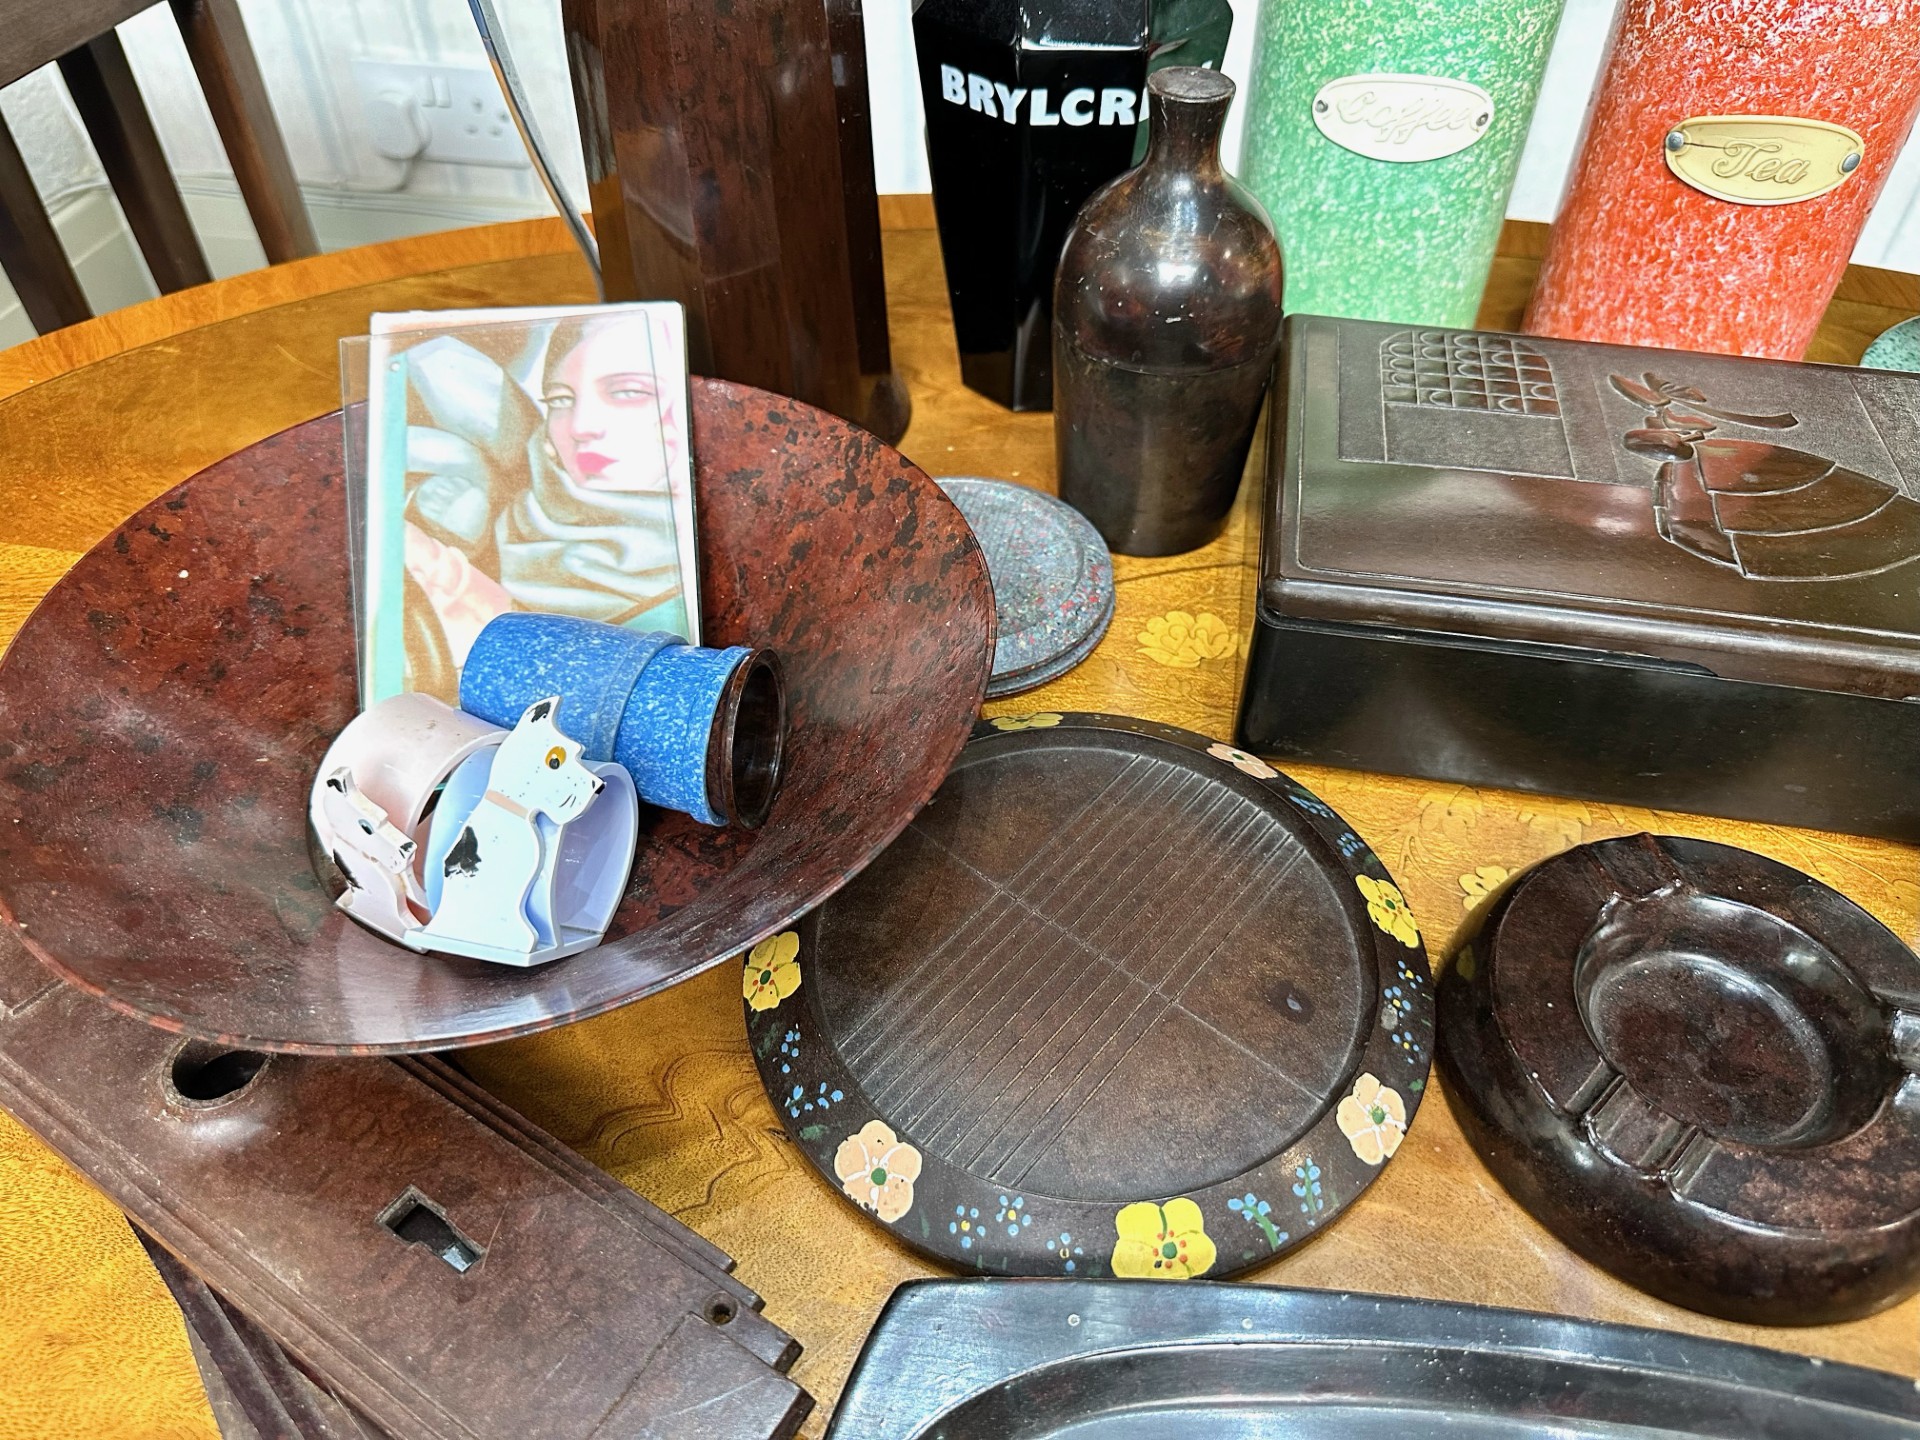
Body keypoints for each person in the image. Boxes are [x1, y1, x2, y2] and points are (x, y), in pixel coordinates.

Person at [396, 310, 694, 700]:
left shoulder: (701, 567)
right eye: (560, 399)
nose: (580, 425)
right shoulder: (512, 508)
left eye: (627, 392)